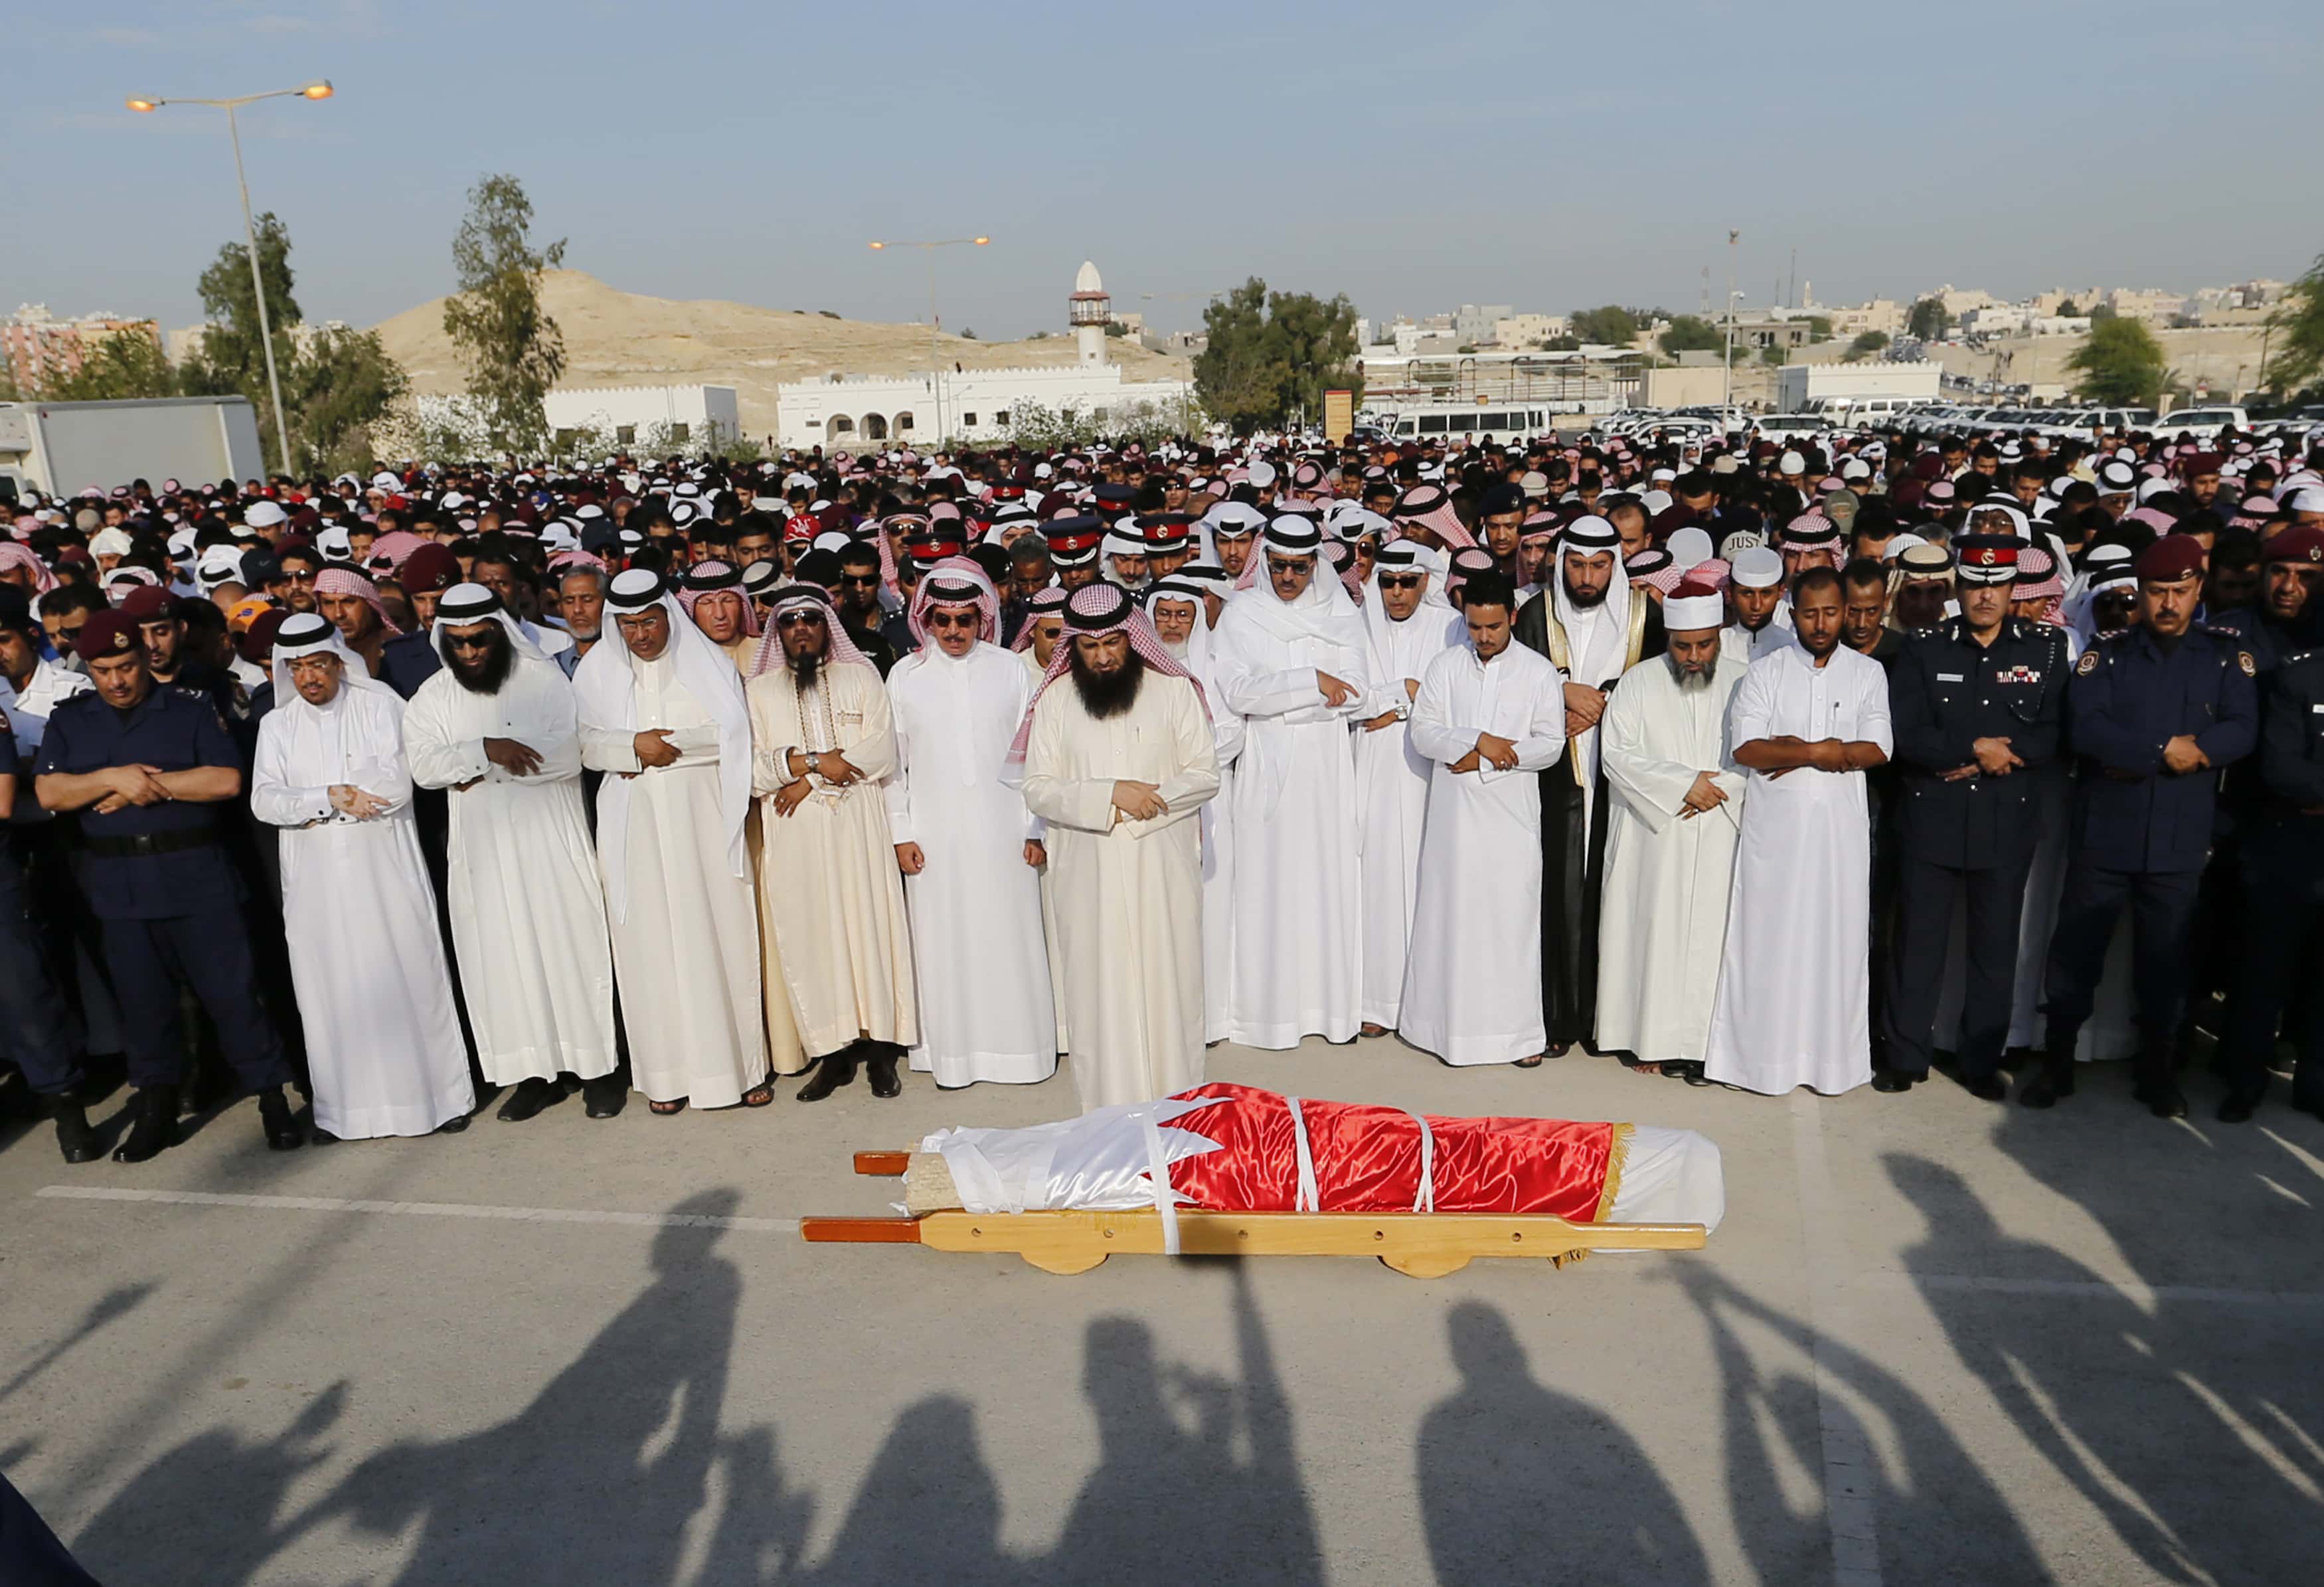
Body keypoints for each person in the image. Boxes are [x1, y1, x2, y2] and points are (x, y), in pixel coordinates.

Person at [33, 610, 303, 1160]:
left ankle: (272, 1101)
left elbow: (225, 780)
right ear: (90, 670)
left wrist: (151, 785)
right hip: (118, 886)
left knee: (235, 998)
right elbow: (50, 794)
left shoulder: (188, 711)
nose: (117, 680)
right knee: (143, 1007)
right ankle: (155, 1110)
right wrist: (112, 777)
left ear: (141, 660)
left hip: (196, 879)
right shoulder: (72, 721)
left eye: (126, 666)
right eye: (104, 670)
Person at [2024, 535, 2258, 1116]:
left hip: (2180, 837)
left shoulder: (2225, 655)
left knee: (2165, 962)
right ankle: (2057, 1063)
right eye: (2157, 593)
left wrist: (2198, 751)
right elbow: (2087, 729)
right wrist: (2162, 749)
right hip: (2108, 831)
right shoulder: (2109, 653)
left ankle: (2158, 1071)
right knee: (2076, 954)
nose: (2168, 604)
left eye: (2180, 591)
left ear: (2198, 590)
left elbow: (2242, 728)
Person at [402, 584, 623, 1122]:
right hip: (481, 852)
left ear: (499, 630)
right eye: (457, 643)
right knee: (502, 960)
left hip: (550, 841)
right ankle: (534, 1075)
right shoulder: (431, 697)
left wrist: (475, 770)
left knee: (568, 948)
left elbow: (568, 757)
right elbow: (424, 770)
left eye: (479, 639)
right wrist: (485, 751)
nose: (470, 652)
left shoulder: (545, 680)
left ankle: (596, 1070)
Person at [250, 614, 473, 1141]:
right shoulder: (275, 726)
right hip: (316, 886)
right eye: (297, 668)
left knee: (408, 976)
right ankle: (344, 1114)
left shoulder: (382, 706)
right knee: (330, 990)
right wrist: (330, 797)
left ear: (339, 662)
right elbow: (265, 800)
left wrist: (308, 807)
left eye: (318, 665)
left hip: (384, 875)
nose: (309, 679)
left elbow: (395, 785)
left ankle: (439, 1101)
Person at [1877, 536, 2068, 1099]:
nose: (1986, 596)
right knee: (1917, 943)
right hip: (1931, 815)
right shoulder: (1924, 647)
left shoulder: (2046, 647)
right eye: (1976, 584)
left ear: (2015, 589)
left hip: (2006, 818)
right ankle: (1904, 1056)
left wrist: (1999, 753)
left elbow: (2056, 731)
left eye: (1998, 585)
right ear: (1959, 586)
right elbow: (1907, 732)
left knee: (1994, 948)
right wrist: (1975, 747)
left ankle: (1981, 1059)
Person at [1017, 582, 1220, 1110]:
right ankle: (1106, 1121)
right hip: (1089, 873)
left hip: (1162, 867)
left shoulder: (1173, 691)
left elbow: (1204, 774)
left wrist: (1144, 804)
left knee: (1169, 990)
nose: (1104, 657)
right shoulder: (1057, 700)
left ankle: (1178, 1116)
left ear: (1134, 639)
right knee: (1099, 995)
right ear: (1075, 647)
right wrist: (1111, 796)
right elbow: (1037, 786)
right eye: (1090, 647)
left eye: (1114, 644)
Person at [575, 569, 771, 1114]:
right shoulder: (595, 673)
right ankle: (666, 1076)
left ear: (668, 616)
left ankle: (739, 1070)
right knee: (651, 947)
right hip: (634, 827)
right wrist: (631, 747)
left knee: (718, 935)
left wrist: (667, 747)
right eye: (629, 625)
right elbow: (585, 746)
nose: (640, 635)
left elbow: (734, 736)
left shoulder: (705, 662)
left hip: (702, 821)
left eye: (649, 621)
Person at [1703, 566, 1892, 1096]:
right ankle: (1757, 1064)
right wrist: (1824, 751)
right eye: (1810, 613)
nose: (1822, 623)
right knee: (1768, 944)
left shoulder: (1866, 673)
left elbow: (1877, 749)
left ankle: (1834, 1066)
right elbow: (1748, 749)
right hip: (1776, 836)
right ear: (1793, 613)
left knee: (1836, 943)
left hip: (1839, 838)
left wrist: (1794, 749)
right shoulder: (1764, 673)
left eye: (1832, 612)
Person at [882, 562, 1054, 1087]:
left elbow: (1037, 755)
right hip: (933, 833)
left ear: (982, 618)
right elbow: (894, 764)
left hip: (1005, 828)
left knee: (1008, 935)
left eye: (964, 620)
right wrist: (900, 831)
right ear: (926, 620)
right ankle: (951, 1056)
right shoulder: (904, 676)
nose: (954, 632)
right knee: (943, 940)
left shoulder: (1010, 669)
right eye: (943, 620)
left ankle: (1019, 1053)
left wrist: (1036, 828)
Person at [747, 587, 916, 1100]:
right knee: (813, 934)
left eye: (811, 620)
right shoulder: (759, 693)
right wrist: (816, 764)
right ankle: (834, 1055)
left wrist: (808, 776)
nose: (801, 628)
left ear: (827, 627)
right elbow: (752, 772)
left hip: (858, 828)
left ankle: (883, 1052)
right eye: (790, 621)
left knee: (871, 928)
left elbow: (881, 752)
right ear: (778, 632)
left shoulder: (860, 676)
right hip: (795, 834)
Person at [1396, 572, 1568, 1066]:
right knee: (1454, 923)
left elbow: (1550, 745)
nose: (1485, 636)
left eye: (1493, 626)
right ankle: (1443, 1031)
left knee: (1508, 924)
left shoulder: (1537, 672)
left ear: (1511, 617)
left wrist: (1488, 759)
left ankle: (1516, 1039)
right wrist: (1477, 738)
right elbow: (1424, 733)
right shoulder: (1446, 666)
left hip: (1510, 820)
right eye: (1475, 627)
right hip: (1453, 826)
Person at [1212, 519, 1370, 1049]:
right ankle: (1267, 1017)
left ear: (1315, 567)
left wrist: (1301, 695)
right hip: (1267, 765)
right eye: (1276, 566)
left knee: (1325, 883)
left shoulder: (1342, 616)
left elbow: (1360, 694)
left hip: (1326, 769)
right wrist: (1312, 685)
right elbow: (1239, 694)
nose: (1286, 577)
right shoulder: (1242, 615)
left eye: (1298, 568)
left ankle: (1327, 1011)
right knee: (1269, 885)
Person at [1515, 513, 1666, 1054]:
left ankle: (1610, 1023)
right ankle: (1557, 1021)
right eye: (1576, 565)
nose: (1587, 577)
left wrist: (1598, 702)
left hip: (1624, 778)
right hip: (1556, 781)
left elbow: (1661, 688)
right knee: (1556, 893)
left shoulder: (1646, 617)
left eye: (1600, 566)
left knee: (1620, 893)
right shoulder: (1535, 614)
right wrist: (1561, 694)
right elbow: (1515, 689)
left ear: (1615, 566)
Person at [1594, 586, 1748, 1081]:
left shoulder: (1746, 682)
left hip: (1721, 827)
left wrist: (1714, 788)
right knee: (1652, 931)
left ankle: (1707, 1046)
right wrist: (1684, 785)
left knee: (1712, 936)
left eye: (1705, 645)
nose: (1695, 657)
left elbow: (1760, 752)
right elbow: (1617, 756)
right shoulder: (1637, 684)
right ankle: (1651, 1039)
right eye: (1684, 646)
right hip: (1656, 834)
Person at [1353, 540, 1459, 1038]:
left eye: (1407, 582)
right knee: (1375, 879)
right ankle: (1376, 1001)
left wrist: (1393, 707)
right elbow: (1348, 701)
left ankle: (1426, 1000)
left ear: (1425, 581)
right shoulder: (1355, 626)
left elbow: (1452, 699)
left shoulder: (1450, 628)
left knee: (1428, 876)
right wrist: (1404, 695)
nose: (1397, 593)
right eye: (1387, 582)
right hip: (1369, 767)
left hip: (1427, 770)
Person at [2217, 642, 2324, 1120]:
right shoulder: (2298, 676)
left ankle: (2315, 1086)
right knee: (2264, 976)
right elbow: (2283, 768)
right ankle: (2245, 1081)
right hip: (2289, 852)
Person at [1145, 576, 1245, 1044]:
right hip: (1155, 803)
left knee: (1210, 907)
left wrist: (1189, 766)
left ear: (1197, 619)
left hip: (1208, 805)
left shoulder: (1217, 667)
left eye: (1181, 615)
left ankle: (1212, 1016)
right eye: (1163, 613)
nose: (1171, 623)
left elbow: (1232, 733)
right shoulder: (1139, 670)